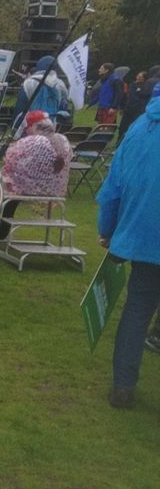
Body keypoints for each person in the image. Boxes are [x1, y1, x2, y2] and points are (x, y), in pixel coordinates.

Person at [96, 83, 160, 409]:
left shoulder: (139, 130)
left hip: (144, 238)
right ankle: (122, 386)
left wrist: (108, 229)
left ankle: (123, 386)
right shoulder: (139, 127)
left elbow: (114, 186)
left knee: (137, 309)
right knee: (138, 308)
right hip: (146, 239)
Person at [0, 111, 72, 240]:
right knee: (11, 191)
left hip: (30, 188)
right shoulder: (63, 139)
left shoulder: (34, 141)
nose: (26, 131)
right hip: (53, 190)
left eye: (28, 127)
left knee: (4, 190)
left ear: (33, 126)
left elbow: (13, 161)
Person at [15, 55, 67, 124]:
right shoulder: (60, 84)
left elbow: (20, 107)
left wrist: (16, 125)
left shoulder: (29, 82)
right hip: (51, 125)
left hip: (31, 125)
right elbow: (63, 104)